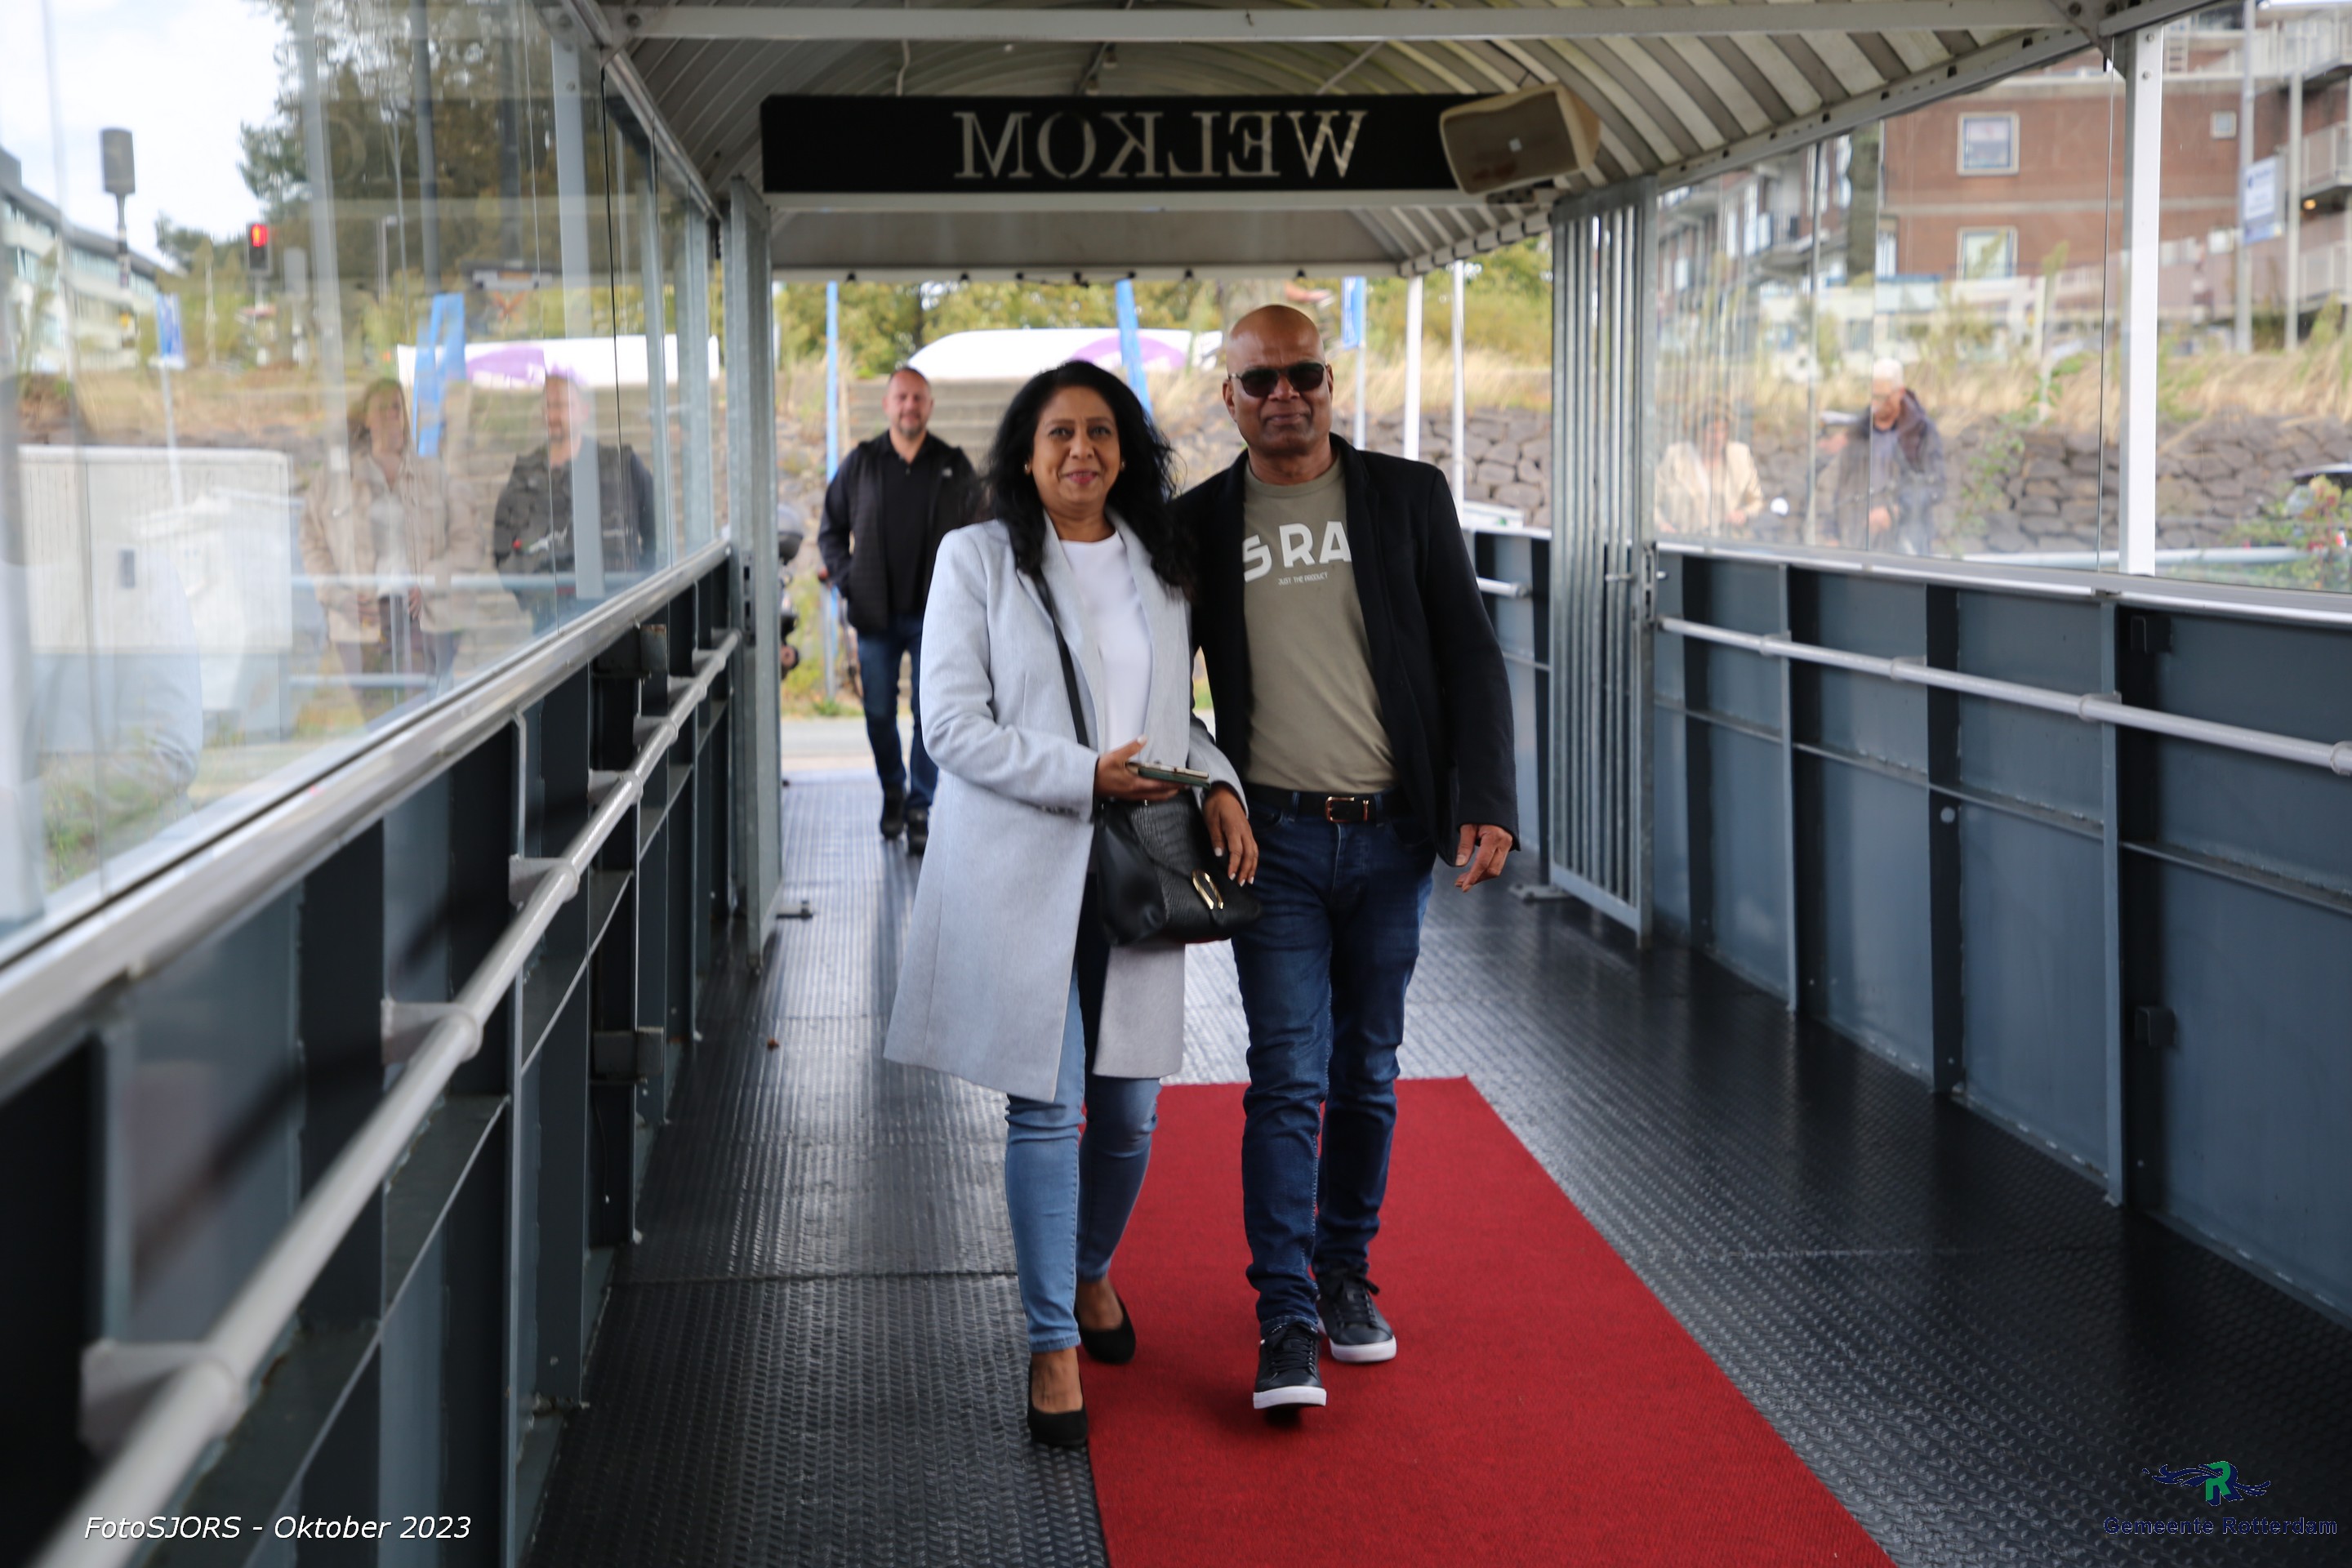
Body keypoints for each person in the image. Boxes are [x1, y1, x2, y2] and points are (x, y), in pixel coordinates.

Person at [884, 361, 1256, 1450]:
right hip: (1022, 863)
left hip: (1138, 867)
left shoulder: (1161, 563)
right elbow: (950, 726)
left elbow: (1173, 718)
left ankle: (1092, 1271)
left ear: (1126, 450)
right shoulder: (977, 559)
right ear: (1026, 450)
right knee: (1046, 1109)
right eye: (1059, 433)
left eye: (1100, 431)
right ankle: (1052, 1342)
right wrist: (1084, 774)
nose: (1081, 450)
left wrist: (1218, 782)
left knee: (1131, 1113)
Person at [1173, 305, 1517, 1413]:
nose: (1285, 394)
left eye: (1304, 373)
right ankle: (1284, 1318)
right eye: (1260, 380)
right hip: (1268, 841)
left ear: (1331, 383)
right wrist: (1207, 783)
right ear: (1230, 399)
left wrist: (1487, 798)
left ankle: (1343, 1276)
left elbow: (1470, 653)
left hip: (1392, 836)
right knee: (1288, 1076)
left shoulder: (1407, 498)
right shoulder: (1198, 524)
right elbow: (1155, 682)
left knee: (1368, 1069)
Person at [817, 366, 980, 853]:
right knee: (877, 713)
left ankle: (919, 805)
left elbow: (982, 530)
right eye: (901, 397)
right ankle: (893, 788)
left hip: (938, 617)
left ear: (929, 407)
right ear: (888, 405)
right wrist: (848, 580)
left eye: (918, 398)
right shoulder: (862, 463)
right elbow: (830, 532)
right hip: (876, 616)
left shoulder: (952, 464)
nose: (910, 405)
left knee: (930, 713)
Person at [299, 379, 479, 714]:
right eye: (382, 407)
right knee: (376, 716)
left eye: (397, 406)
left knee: (423, 712)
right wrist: (336, 595)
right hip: (362, 619)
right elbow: (311, 542)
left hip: (421, 613)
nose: (392, 413)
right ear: (366, 418)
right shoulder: (337, 478)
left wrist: (432, 579)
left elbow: (467, 540)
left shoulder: (432, 474)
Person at [492, 372, 659, 631]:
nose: (554, 415)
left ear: (584, 412)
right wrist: (537, 599)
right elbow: (503, 548)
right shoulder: (523, 476)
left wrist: (641, 586)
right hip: (552, 625)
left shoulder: (621, 466)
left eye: (563, 405)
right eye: (549, 406)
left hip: (620, 617)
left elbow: (657, 531)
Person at [1833, 358, 1945, 555]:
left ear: (1899, 393)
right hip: (1860, 541)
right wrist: (1832, 533)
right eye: (1872, 396)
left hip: (1906, 542)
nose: (1875, 404)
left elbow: (1935, 487)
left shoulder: (1921, 431)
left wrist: (1894, 511)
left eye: (1882, 397)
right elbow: (1843, 486)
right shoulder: (1860, 432)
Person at [1655, 401, 1765, 537]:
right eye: (1712, 431)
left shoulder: (1740, 456)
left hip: (1729, 542)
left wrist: (1744, 513)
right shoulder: (1676, 456)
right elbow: (1651, 501)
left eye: (1723, 430)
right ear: (1698, 431)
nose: (1719, 437)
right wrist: (1661, 524)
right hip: (1684, 541)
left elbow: (1757, 502)